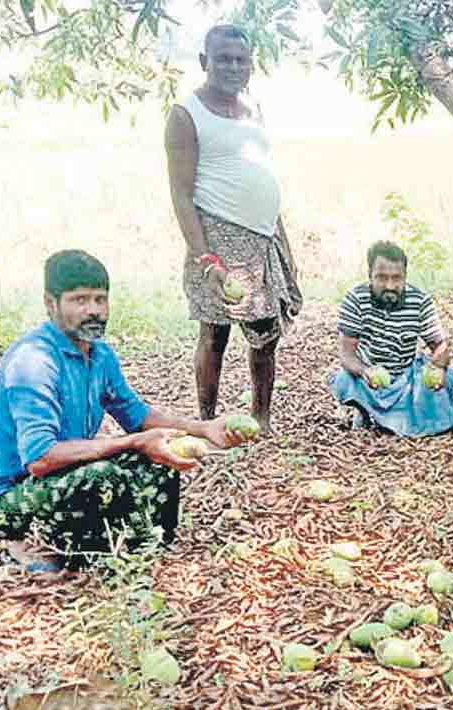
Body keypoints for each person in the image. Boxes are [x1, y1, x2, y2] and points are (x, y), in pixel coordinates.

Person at [0, 251, 249, 573]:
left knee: (160, 454)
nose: (93, 310)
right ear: (50, 303)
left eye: (100, 299)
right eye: (80, 300)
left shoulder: (99, 355)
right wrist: (132, 443)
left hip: (58, 472)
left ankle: (150, 549)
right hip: (6, 497)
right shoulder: (34, 362)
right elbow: (40, 459)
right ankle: (75, 559)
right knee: (100, 476)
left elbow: (135, 415)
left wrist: (203, 428)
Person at [165, 23, 301, 435]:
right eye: (224, 58)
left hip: (262, 236)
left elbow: (260, 174)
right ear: (205, 61)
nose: (233, 66)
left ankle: (262, 417)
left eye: (241, 60)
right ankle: (207, 420)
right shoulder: (186, 114)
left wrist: (283, 239)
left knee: (265, 332)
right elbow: (182, 193)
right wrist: (205, 257)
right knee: (216, 331)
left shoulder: (252, 107)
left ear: (251, 65)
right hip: (217, 234)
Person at [329, 241, 453, 436]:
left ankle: (406, 414)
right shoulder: (355, 299)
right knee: (343, 380)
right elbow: (347, 355)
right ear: (369, 275)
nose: (389, 285)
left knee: (450, 377)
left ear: (405, 277)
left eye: (396, 278)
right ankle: (363, 410)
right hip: (370, 376)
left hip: (406, 376)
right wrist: (365, 371)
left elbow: (440, 346)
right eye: (381, 278)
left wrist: (439, 368)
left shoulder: (420, 301)